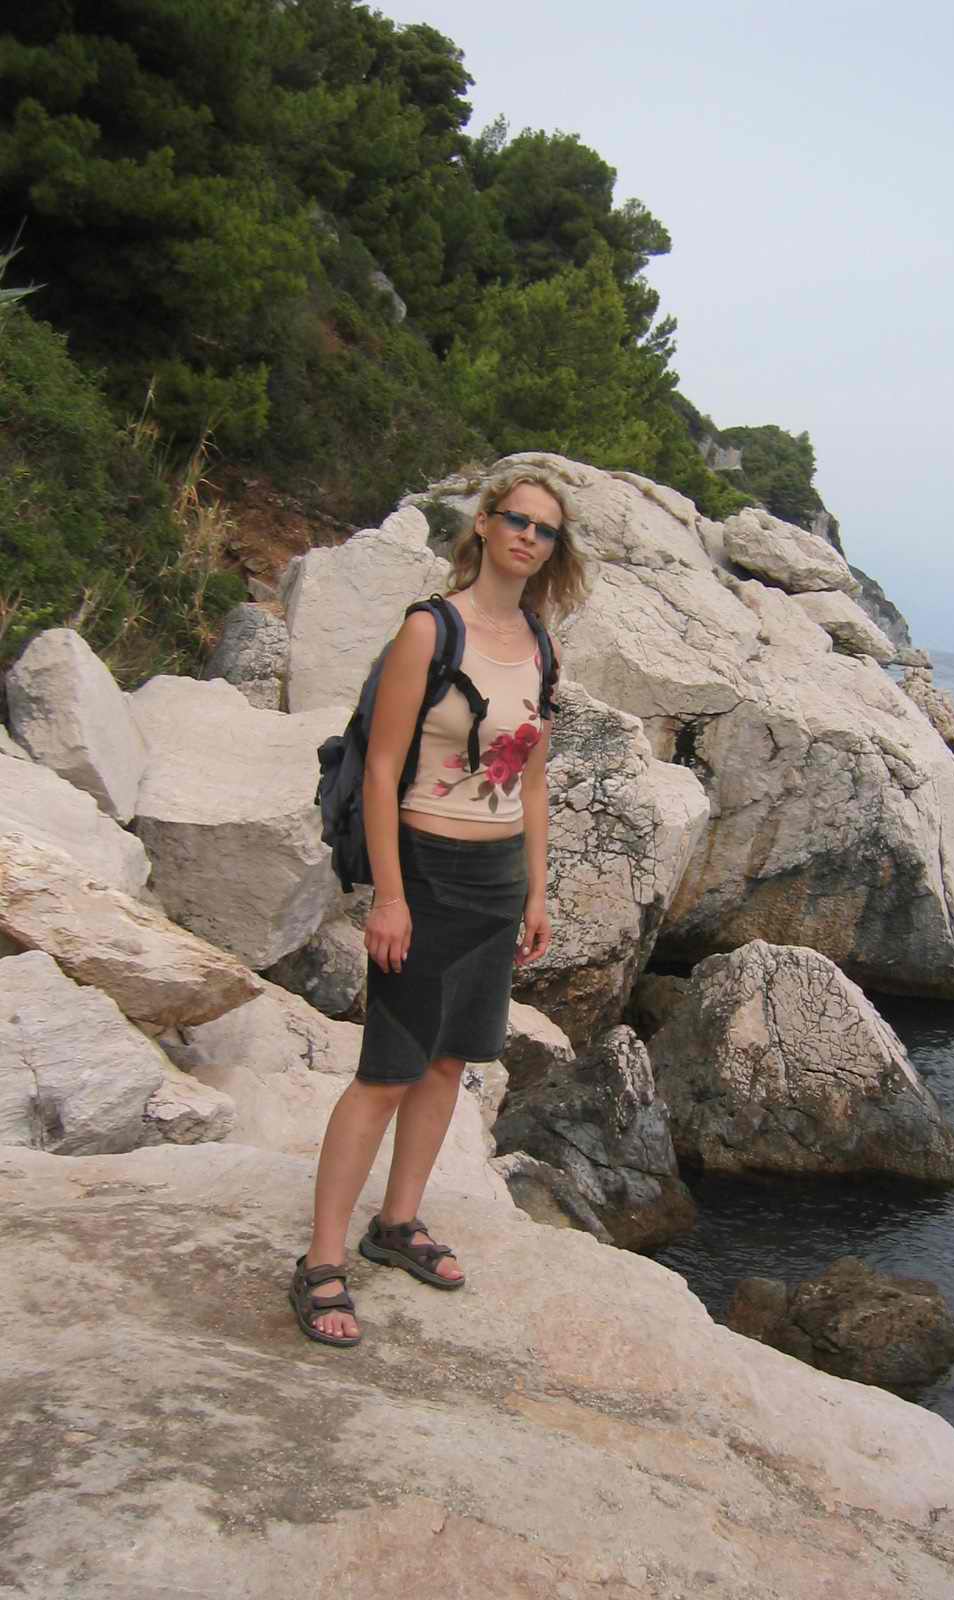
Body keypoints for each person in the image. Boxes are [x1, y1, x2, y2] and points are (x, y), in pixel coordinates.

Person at [289, 467, 588, 1347]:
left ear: (554, 550)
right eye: (517, 520)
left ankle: (398, 1222)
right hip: (423, 873)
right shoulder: (431, 628)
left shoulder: (540, 645)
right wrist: (388, 897)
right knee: (388, 1069)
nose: (528, 537)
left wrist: (537, 889)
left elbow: (533, 780)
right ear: (485, 525)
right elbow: (382, 770)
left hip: (497, 882)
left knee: (450, 1062)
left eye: (545, 529)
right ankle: (320, 1260)